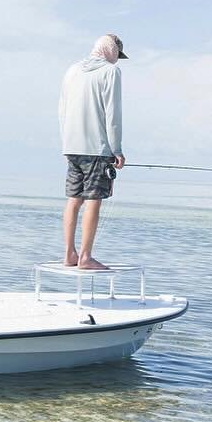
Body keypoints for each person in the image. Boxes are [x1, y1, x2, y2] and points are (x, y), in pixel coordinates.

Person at [57, 33, 127, 270]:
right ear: (112, 51)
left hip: (71, 145)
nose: (117, 61)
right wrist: (116, 149)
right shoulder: (111, 71)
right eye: (118, 55)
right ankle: (85, 257)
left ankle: (69, 254)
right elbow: (112, 113)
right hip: (97, 147)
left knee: (73, 199)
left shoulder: (72, 70)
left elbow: (62, 110)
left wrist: (65, 142)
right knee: (93, 200)